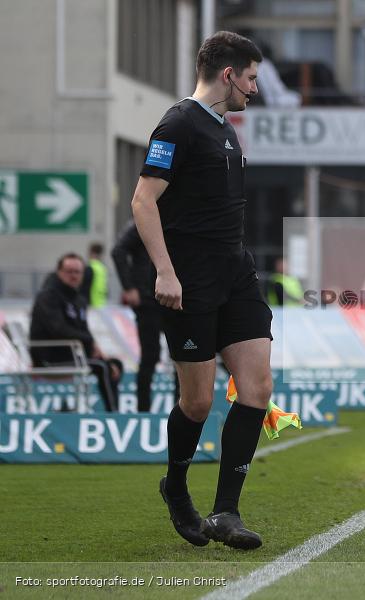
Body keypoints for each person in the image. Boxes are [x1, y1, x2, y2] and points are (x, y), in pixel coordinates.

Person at [131, 31, 273, 550]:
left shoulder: (226, 129)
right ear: (228, 75)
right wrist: (165, 272)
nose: (255, 89)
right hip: (190, 280)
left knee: (256, 389)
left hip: (236, 273)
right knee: (197, 403)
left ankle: (226, 512)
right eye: (252, 77)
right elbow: (143, 201)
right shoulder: (178, 123)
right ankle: (177, 488)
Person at [30, 253, 122, 412]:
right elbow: (58, 330)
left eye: (77, 272)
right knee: (102, 366)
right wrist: (89, 342)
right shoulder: (48, 296)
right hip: (50, 357)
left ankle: (112, 411)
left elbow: (83, 330)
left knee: (115, 364)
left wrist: (95, 347)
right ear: (59, 272)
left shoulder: (78, 299)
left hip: (72, 353)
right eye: (69, 271)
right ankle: (113, 415)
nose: (73, 275)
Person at [112, 222, 178, 412]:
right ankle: (143, 410)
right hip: (148, 300)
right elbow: (118, 251)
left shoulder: (178, 220)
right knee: (150, 356)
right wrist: (129, 287)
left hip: (174, 298)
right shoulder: (145, 222)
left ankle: (182, 409)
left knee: (181, 355)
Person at [79, 242, 109, 308]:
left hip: (91, 304)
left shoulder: (90, 267)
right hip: (101, 303)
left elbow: (84, 287)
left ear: (91, 252)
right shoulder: (102, 268)